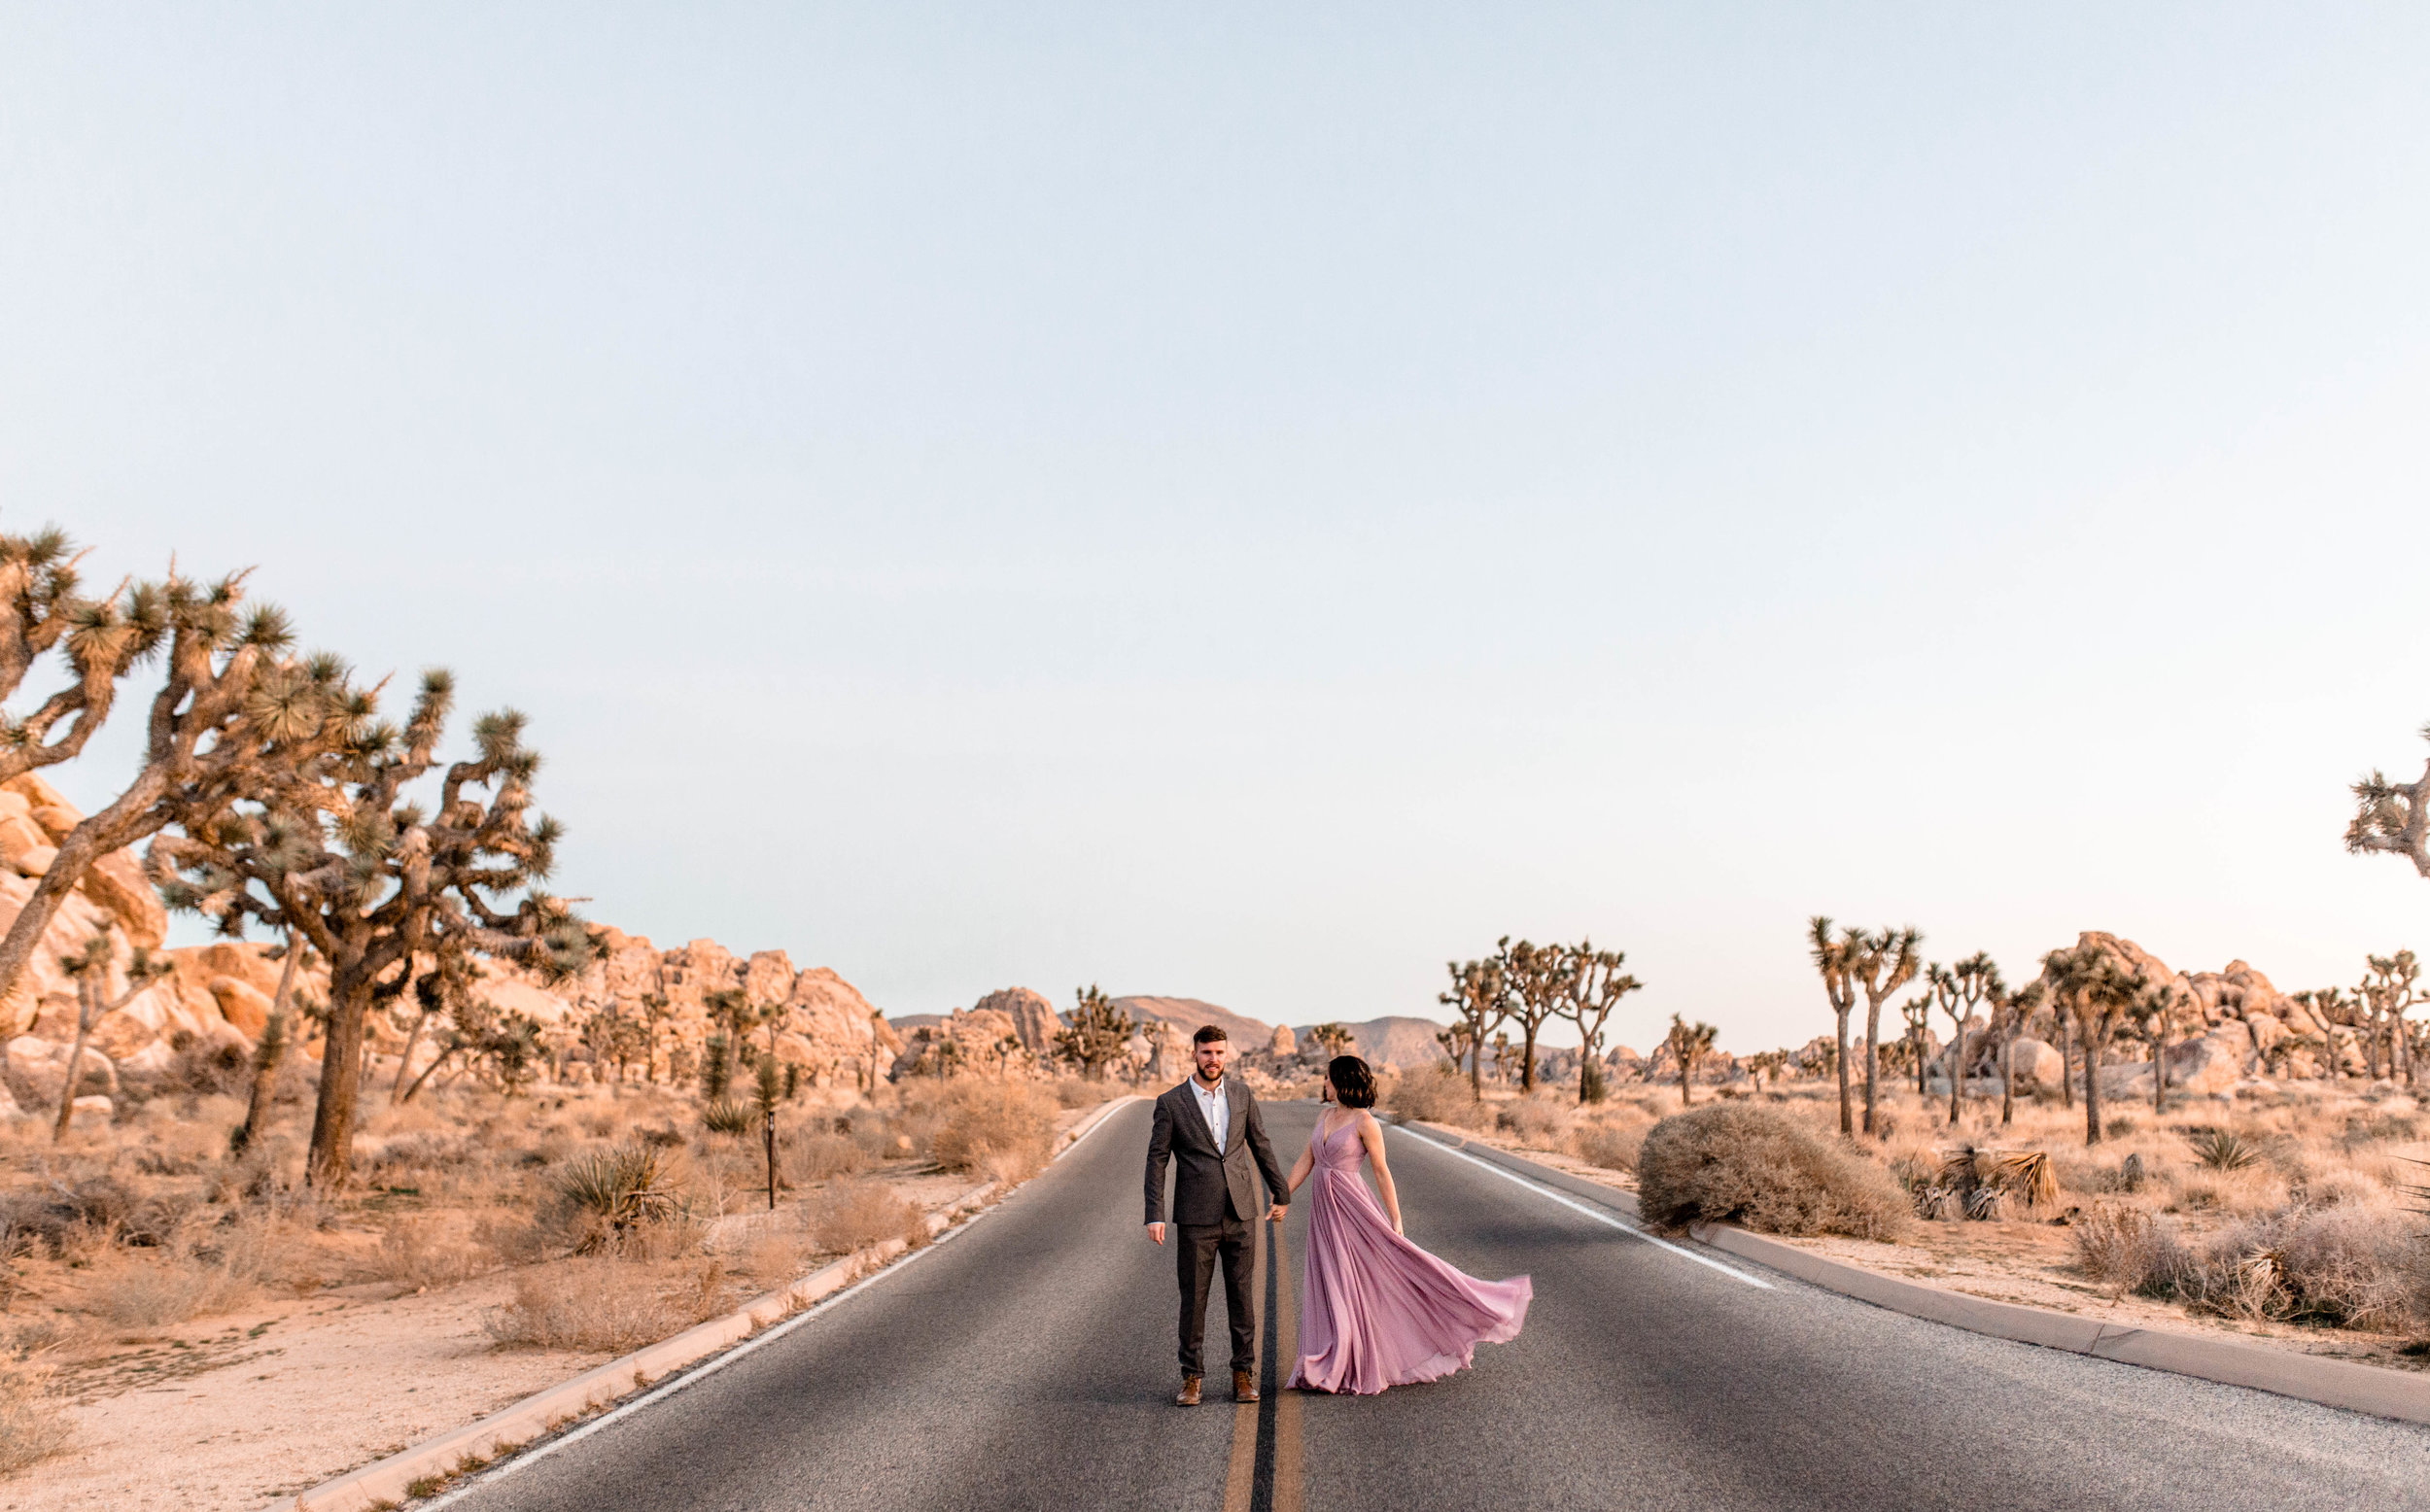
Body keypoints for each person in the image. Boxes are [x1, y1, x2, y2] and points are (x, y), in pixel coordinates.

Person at [1284, 1054, 1531, 1394]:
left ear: (1341, 1081)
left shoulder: (1365, 1122)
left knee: (1354, 1277)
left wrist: (1395, 1218)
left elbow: (1382, 1171)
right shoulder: (1324, 1116)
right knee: (1330, 1280)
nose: (1323, 1083)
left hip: (1354, 1210)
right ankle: (1334, 1354)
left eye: (1327, 1078)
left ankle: (1350, 1358)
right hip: (1324, 1212)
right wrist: (1282, 1196)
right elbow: (1306, 1160)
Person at [1143, 1024, 1289, 1407]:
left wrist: (1281, 1189)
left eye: (1220, 1053)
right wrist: (1154, 1213)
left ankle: (1243, 1374)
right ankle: (1191, 1378)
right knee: (1194, 1300)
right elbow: (1157, 1161)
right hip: (1196, 1217)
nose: (1214, 1059)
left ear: (1227, 1054)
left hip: (1241, 1213)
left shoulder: (1241, 1093)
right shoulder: (1171, 1103)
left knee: (1243, 1297)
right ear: (1194, 1054)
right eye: (1207, 1052)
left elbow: (1259, 1143)